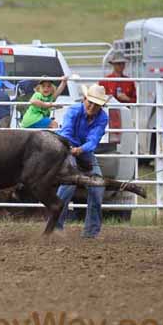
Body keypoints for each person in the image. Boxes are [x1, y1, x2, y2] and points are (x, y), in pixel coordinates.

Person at [55, 84, 110, 238]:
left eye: (96, 104)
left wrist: (81, 149)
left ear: (101, 106)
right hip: (67, 150)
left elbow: (94, 139)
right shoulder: (74, 110)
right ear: (84, 99)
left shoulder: (102, 117)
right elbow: (66, 132)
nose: (92, 106)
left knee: (97, 187)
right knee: (67, 187)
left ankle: (91, 232)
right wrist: (73, 148)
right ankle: (55, 227)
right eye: (90, 102)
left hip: (84, 152)